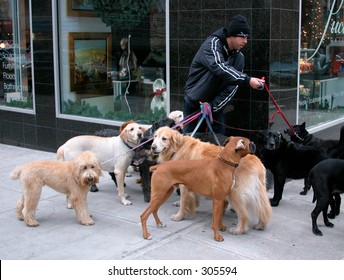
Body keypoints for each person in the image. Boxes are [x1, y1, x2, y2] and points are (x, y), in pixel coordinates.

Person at [183, 15, 265, 134]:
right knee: (189, 147)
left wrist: (212, 106)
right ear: (231, 35)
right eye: (242, 37)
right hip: (194, 104)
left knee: (218, 148)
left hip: (215, 109)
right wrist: (248, 80)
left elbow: (231, 88)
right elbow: (220, 67)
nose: (245, 41)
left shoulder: (239, 58)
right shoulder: (212, 45)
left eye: (247, 37)